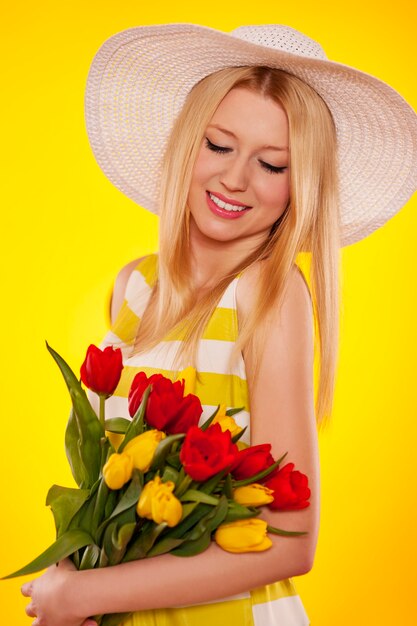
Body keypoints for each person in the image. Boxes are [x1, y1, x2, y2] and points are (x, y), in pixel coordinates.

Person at [21, 23, 416, 626]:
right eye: (219, 145)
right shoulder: (134, 288)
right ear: (186, 143)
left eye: (272, 164)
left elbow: (290, 539)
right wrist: (79, 572)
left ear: (299, 185)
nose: (236, 179)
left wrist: (84, 595)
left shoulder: (268, 295)